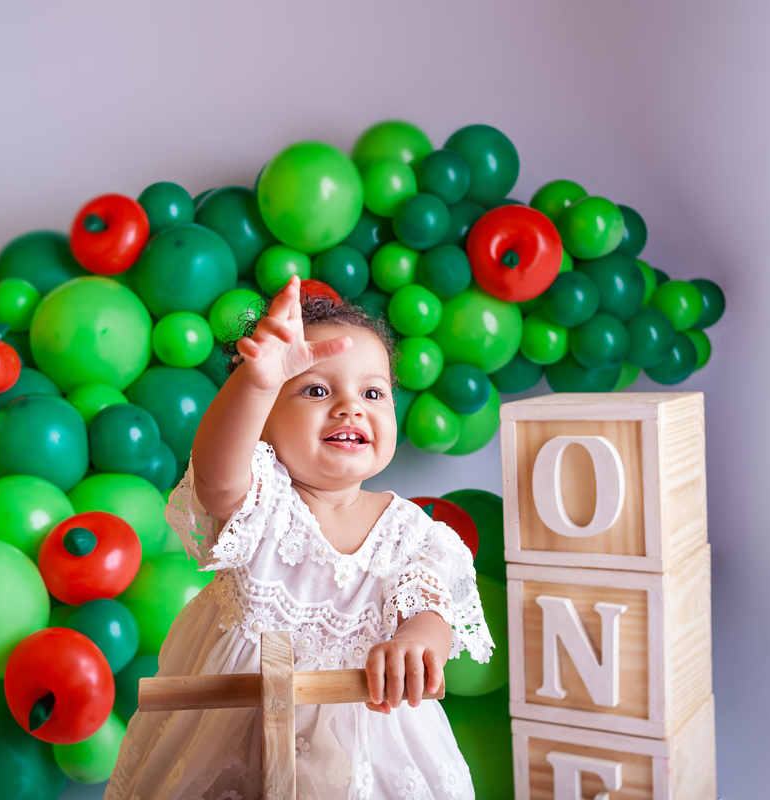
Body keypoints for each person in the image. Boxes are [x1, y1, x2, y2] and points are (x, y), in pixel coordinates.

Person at [107, 275, 493, 800]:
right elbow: (218, 474)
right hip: (237, 735)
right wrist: (256, 382)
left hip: (369, 740)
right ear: (262, 424)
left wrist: (416, 644)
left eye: (373, 392)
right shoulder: (262, 504)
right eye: (315, 389)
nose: (350, 407)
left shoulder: (412, 533)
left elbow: (430, 608)